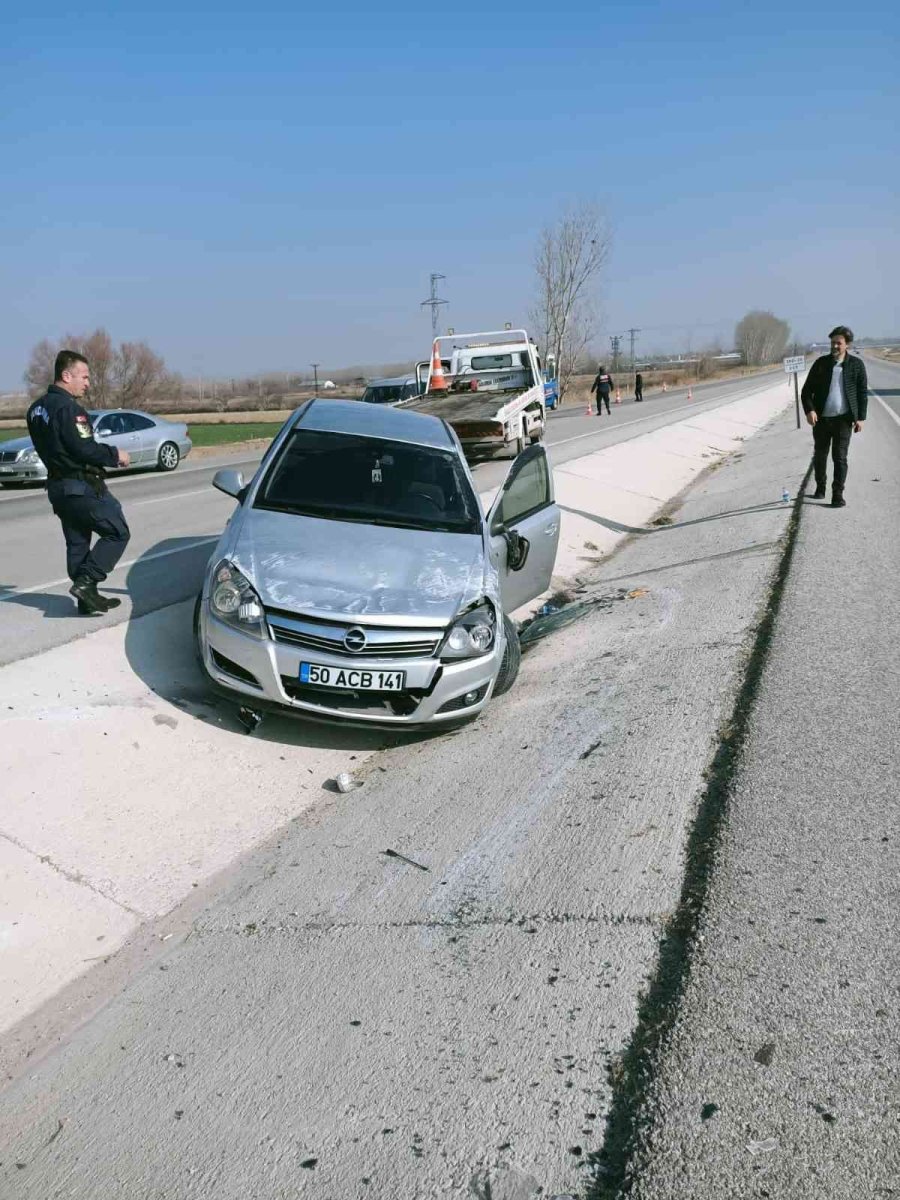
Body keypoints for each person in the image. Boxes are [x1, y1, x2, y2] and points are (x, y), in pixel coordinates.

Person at [26, 350, 131, 614]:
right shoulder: (70, 409)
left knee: (77, 542)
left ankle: (87, 600)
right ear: (66, 375)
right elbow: (84, 449)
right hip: (81, 485)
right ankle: (87, 582)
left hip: (58, 488)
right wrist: (115, 455)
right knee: (117, 532)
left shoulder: (35, 410)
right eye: (84, 377)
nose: (87, 383)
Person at [800, 325, 868, 508]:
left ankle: (837, 494)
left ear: (847, 345)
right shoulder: (821, 364)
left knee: (840, 458)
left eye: (839, 343)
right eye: (833, 343)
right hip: (822, 420)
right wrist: (810, 410)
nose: (835, 346)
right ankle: (820, 487)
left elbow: (862, 393)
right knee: (820, 456)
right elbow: (806, 391)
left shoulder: (856, 365)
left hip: (843, 420)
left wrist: (860, 418)